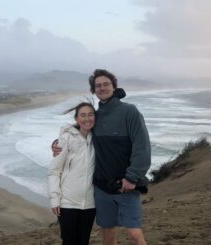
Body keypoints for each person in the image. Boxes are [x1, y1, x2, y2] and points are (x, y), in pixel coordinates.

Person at [53, 69, 151, 245]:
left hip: (126, 186)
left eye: (106, 84)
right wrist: (57, 143)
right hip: (102, 189)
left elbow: (142, 146)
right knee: (108, 235)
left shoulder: (129, 112)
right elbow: (79, 130)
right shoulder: (96, 117)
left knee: (135, 234)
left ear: (114, 87)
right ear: (94, 90)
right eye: (98, 85)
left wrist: (132, 177)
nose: (102, 88)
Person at [48, 102, 97, 245]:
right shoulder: (66, 139)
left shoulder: (99, 139)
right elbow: (54, 171)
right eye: (83, 115)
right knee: (69, 241)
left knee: (83, 242)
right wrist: (54, 199)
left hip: (90, 204)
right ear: (76, 119)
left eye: (90, 114)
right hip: (67, 203)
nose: (87, 119)